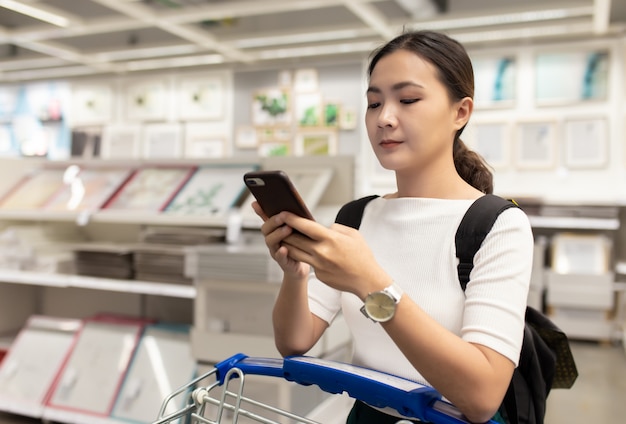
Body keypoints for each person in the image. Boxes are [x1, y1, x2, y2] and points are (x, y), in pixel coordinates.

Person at [252, 30, 534, 424]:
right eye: (373, 102)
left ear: (461, 112)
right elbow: (294, 343)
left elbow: (482, 396)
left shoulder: (497, 225)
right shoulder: (356, 218)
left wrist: (371, 284)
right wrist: (295, 275)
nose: (384, 118)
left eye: (408, 100)